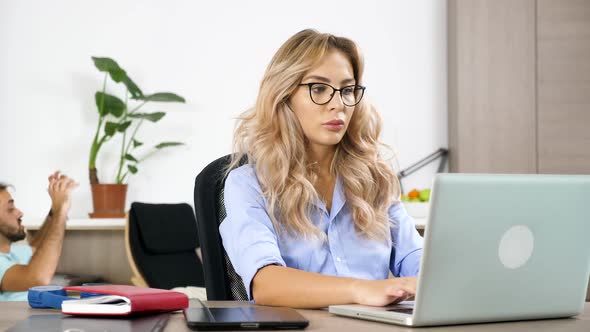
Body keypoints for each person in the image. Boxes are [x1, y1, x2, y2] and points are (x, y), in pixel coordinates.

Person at [220, 29, 424, 308]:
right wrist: (362, 290)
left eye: (348, 90)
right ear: (285, 95)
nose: (338, 104)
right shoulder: (248, 184)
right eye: (319, 89)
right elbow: (266, 283)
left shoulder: (375, 179)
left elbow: (416, 259)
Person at [0, 171, 78, 301]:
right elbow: (38, 277)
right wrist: (61, 210)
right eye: (10, 209)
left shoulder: (11, 253)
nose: (19, 213)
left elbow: (37, 250)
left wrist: (54, 209)